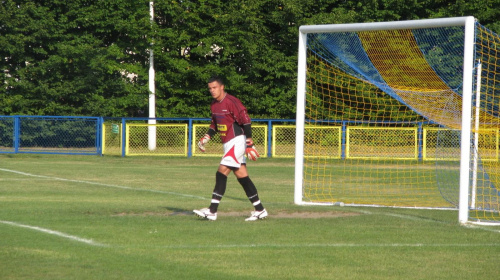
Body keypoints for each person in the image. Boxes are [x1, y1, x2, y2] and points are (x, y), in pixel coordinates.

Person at [193, 76, 268, 222]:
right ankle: (260, 209)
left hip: (237, 141)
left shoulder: (232, 102)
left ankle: (212, 211)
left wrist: (249, 142)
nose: (212, 90)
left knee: (222, 171)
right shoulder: (214, 104)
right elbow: (214, 124)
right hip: (227, 143)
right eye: (210, 88)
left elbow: (246, 120)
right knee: (242, 176)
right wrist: (206, 137)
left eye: (214, 87)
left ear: (222, 87)